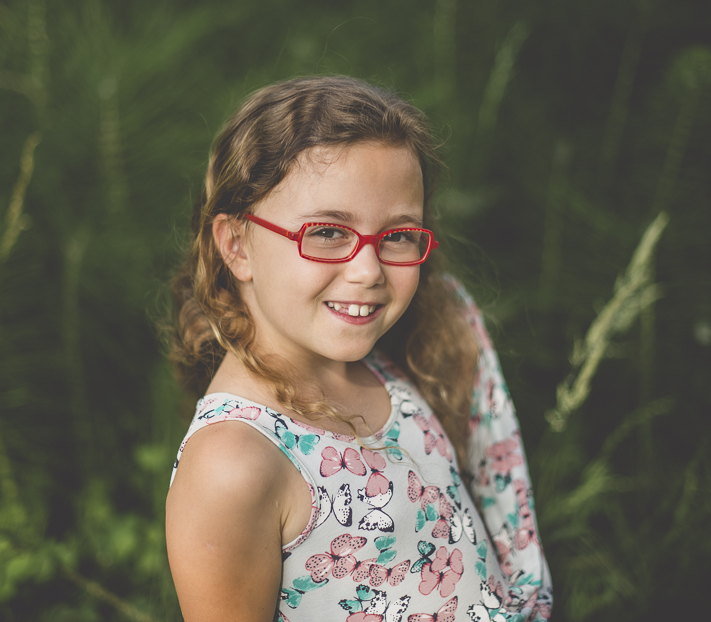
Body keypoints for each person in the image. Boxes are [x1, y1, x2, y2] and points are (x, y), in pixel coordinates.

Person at [165, 76, 552, 622]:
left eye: (396, 236)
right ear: (237, 245)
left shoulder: (393, 360)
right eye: (327, 232)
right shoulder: (234, 464)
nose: (369, 271)